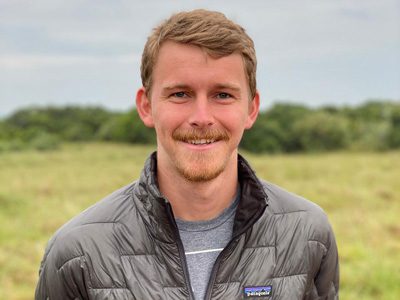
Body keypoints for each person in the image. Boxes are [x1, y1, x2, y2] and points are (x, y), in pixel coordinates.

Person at [35, 9, 339, 300]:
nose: (202, 117)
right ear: (146, 106)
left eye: (223, 95)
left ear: (251, 108)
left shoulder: (308, 235)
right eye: (180, 94)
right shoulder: (76, 253)